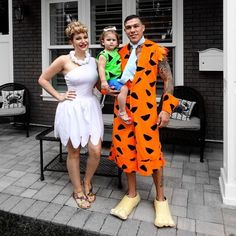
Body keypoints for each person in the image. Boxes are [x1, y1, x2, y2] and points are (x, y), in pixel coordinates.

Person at [107, 15, 179, 227]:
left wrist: (166, 109)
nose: (132, 30)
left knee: (152, 153)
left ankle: (160, 200)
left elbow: (168, 80)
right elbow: (110, 77)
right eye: (128, 27)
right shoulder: (119, 52)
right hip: (123, 112)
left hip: (147, 113)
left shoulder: (155, 50)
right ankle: (132, 195)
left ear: (143, 27)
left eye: (135, 26)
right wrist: (108, 88)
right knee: (126, 150)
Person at [38, 21, 103, 209]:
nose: (83, 41)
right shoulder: (63, 60)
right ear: (72, 41)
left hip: (91, 107)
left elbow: (98, 85)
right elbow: (43, 79)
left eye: (85, 37)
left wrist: (111, 88)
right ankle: (77, 190)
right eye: (78, 38)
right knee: (73, 151)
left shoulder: (93, 61)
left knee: (96, 151)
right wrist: (59, 95)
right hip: (72, 108)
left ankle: (87, 181)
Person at [97, 26, 132, 124]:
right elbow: (101, 68)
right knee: (124, 89)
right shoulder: (103, 55)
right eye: (108, 40)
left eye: (113, 40)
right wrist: (103, 81)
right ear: (103, 42)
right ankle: (122, 111)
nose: (111, 42)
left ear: (117, 42)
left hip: (118, 78)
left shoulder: (116, 52)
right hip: (111, 78)